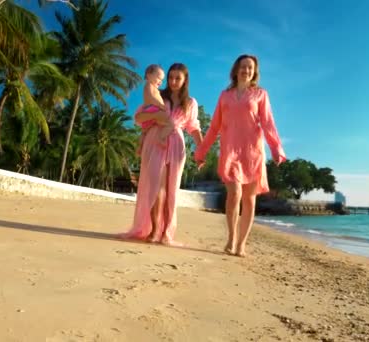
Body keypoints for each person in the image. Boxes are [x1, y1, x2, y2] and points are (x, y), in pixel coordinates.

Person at [194, 54, 286, 257]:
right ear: (236, 70)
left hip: (253, 152)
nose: (246, 70)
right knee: (234, 194)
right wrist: (201, 152)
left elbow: (268, 123)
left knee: (249, 199)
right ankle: (231, 238)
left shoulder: (260, 94)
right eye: (243, 67)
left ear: (254, 72)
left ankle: (241, 244)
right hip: (230, 151)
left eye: (250, 68)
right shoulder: (224, 96)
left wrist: (276, 149)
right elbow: (214, 126)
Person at [121, 63, 203, 246]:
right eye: (170, 77)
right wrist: (157, 117)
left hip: (176, 145)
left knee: (170, 188)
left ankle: (166, 231)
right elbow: (139, 117)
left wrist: (201, 150)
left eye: (178, 78)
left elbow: (194, 128)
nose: (173, 81)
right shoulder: (157, 95)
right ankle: (155, 229)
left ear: (185, 80)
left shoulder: (190, 103)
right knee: (155, 187)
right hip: (155, 141)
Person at [136, 64, 174, 155]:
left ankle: (140, 147)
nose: (160, 82)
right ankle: (161, 138)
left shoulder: (152, 87)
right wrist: (161, 105)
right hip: (153, 109)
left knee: (144, 132)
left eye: (162, 80)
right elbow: (152, 97)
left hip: (149, 111)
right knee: (171, 124)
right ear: (149, 75)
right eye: (158, 78)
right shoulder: (149, 85)